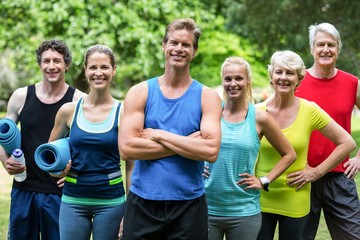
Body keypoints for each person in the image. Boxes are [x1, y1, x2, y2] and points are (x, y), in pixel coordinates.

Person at [119, 18, 222, 239]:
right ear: (164, 46)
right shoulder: (140, 92)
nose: (179, 49)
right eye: (174, 43)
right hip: (143, 202)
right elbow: (127, 149)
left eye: (186, 45)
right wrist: (188, 143)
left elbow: (211, 152)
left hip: (189, 205)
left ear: (195, 51)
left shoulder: (208, 97)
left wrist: (159, 134)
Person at [255, 50, 356, 240]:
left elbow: (347, 143)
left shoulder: (309, 110)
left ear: (298, 78)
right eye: (279, 72)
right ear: (271, 76)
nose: (283, 78)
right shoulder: (257, 112)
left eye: (290, 73)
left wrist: (316, 172)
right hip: (260, 198)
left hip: (295, 197)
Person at [203, 56, 296, 240]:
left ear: (248, 81)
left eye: (238, 78)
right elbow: (192, 142)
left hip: (244, 211)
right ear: (222, 81)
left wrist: (264, 180)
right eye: (228, 79)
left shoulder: (260, 118)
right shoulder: (210, 112)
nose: (233, 84)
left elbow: (289, 154)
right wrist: (197, 165)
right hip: (206, 208)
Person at [0, 40, 85, 240]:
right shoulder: (21, 96)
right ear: (39, 64)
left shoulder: (78, 100)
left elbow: (88, 144)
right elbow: (2, 134)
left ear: (67, 64)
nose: (51, 66)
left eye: (57, 61)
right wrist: (6, 161)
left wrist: (76, 171)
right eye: (46, 61)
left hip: (60, 192)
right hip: (24, 188)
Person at [48, 44, 132, 240]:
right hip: (73, 200)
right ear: (85, 70)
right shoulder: (68, 111)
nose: (98, 73)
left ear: (114, 70)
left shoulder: (123, 113)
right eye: (93, 67)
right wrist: (57, 171)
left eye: (104, 67)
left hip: (111, 202)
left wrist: (129, 209)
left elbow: (131, 166)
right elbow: (48, 155)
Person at [294, 22, 360, 240]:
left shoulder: (352, 83)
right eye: (320, 44)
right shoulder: (296, 81)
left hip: (340, 175)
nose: (325, 49)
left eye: (331, 45)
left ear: (338, 49)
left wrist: (359, 157)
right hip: (303, 175)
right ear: (312, 49)